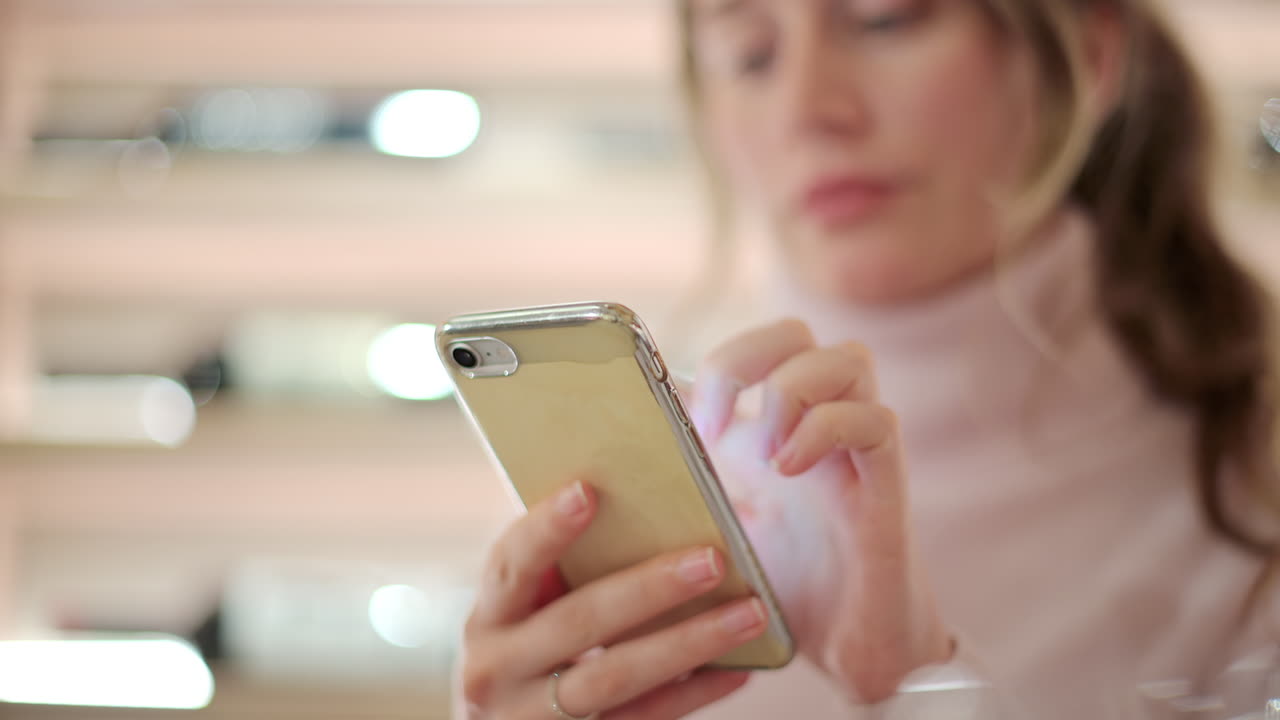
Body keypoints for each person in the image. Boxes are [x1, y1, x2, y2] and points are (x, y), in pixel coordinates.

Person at [452, 0, 1280, 717]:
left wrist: (918, 687)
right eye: (751, 54)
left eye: (886, 19)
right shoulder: (617, 506)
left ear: (1089, 53)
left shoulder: (1256, 470)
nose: (809, 108)